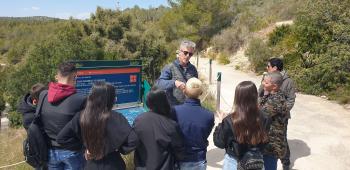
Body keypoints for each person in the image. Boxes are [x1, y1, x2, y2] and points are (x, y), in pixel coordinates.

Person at [57, 81, 138, 170]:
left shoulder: (81, 116)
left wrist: (84, 149)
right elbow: (133, 140)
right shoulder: (117, 117)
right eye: (114, 96)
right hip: (114, 164)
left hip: (91, 165)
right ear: (109, 99)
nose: (115, 98)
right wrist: (119, 149)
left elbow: (62, 138)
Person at [39, 62, 86, 170]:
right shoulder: (81, 99)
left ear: (57, 76)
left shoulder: (43, 95)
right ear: (75, 76)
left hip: (49, 150)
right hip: (73, 151)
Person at [214, 81, 270, 170]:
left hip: (233, 161)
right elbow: (265, 142)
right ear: (255, 95)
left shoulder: (229, 120)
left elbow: (219, 143)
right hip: (255, 161)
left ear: (237, 97)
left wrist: (220, 124)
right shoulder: (265, 117)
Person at [133, 86, 185, 170]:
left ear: (148, 102)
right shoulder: (170, 124)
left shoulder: (139, 120)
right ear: (165, 102)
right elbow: (179, 149)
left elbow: (133, 142)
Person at [259, 58, 296, 170]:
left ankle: (286, 163)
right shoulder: (269, 82)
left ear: (274, 68)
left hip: (272, 140)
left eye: (268, 66)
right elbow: (260, 94)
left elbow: (290, 99)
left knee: (281, 142)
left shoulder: (277, 97)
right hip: (269, 132)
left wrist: (283, 111)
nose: (267, 68)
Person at [173, 78, 214, 170]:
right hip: (199, 159)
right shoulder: (209, 115)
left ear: (184, 91)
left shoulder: (175, 111)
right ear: (201, 93)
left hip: (179, 158)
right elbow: (205, 134)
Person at [259, 72, 288, 170]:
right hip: (268, 141)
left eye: (266, 83)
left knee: (269, 166)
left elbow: (259, 114)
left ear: (274, 86)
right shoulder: (271, 95)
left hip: (272, 145)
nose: (263, 83)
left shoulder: (276, 100)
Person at [156, 40, 198, 105]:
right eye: (185, 53)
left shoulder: (193, 69)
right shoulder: (170, 67)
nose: (187, 56)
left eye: (190, 54)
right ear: (179, 52)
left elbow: (196, 86)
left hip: (188, 107)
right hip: (173, 108)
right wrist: (174, 83)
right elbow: (159, 84)